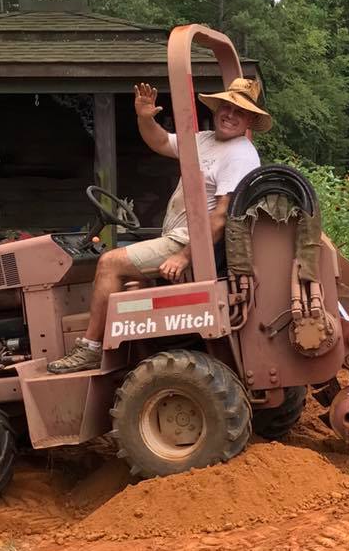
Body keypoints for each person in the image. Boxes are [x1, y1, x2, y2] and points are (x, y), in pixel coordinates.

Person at [47, 77, 269, 373]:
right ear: (217, 109)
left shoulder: (239, 154)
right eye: (226, 107)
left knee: (110, 263)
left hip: (189, 242)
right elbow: (162, 141)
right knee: (127, 279)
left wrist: (184, 256)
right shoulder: (205, 140)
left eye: (239, 111)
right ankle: (127, 353)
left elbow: (222, 217)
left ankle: (90, 347)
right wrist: (145, 118)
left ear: (250, 120)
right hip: (179, 237)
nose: (229, 115)